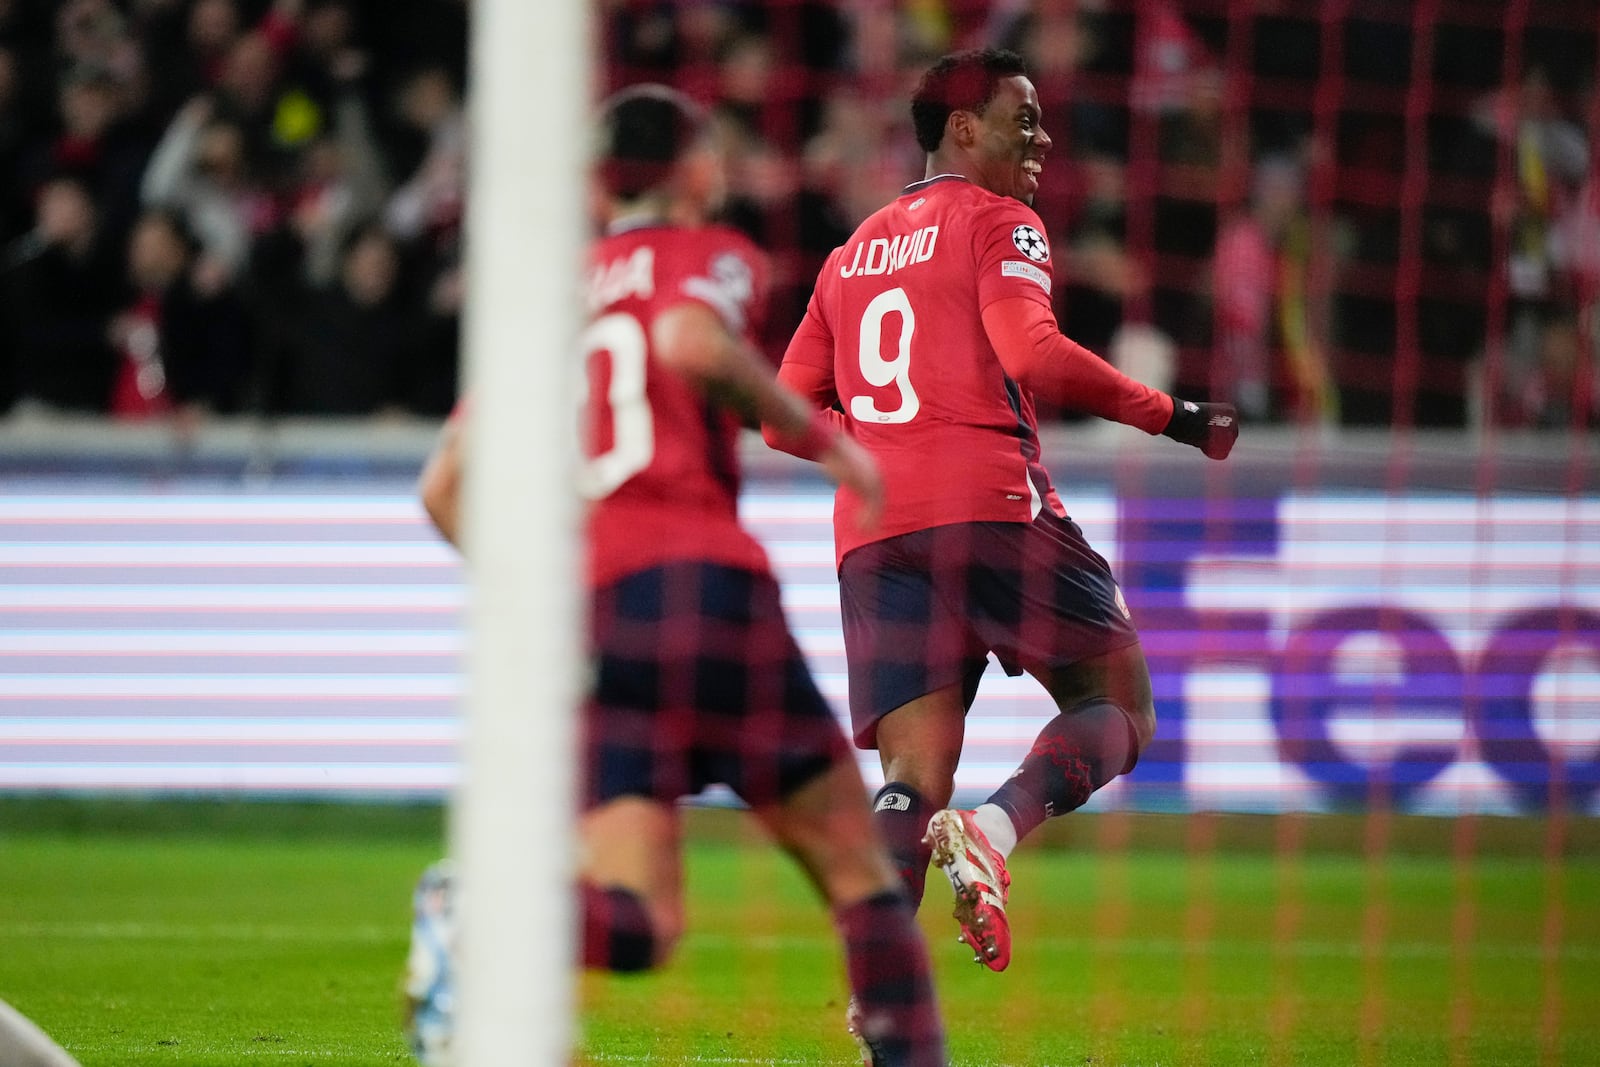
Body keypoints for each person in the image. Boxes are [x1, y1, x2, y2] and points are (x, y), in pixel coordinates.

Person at [409, 85, 946, 1067]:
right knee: (857, 874)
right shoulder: (718, 256)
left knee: (642, 920)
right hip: (707, 591)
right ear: (698, 173)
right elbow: (689, 341)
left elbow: (443, 486)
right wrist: (831, 446)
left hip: (599, 621)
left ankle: (485, 910)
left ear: (595, 191)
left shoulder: (544, 299)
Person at [765, 48, 1238, 974]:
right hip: (991, 509)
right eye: (1023, 118)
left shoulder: (847, 254)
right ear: (962, 128)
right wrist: (1176, 417)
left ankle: (886, 1003)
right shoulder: (1001, 222)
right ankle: (995, 826)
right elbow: (1035, 356)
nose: (1044, 136)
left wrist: (878, 456)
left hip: (877, 536)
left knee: (909, 778)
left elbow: (783, 414)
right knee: (1121, 705)